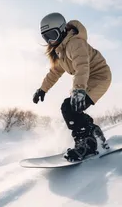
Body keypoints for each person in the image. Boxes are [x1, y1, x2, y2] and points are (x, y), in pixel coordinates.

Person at [33, 12, 112, 162]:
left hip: (99, 77)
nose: (50, 41)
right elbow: (54, 72)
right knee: (72, 107)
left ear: (62, 30)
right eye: (46, 37)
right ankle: (91, 131)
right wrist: (42, 89)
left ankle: (87, 144)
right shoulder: (61, 50)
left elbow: (82, 67)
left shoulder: (75, 43)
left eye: (53, 35)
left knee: (69, 107)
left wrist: (79, 90)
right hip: (87, 80)